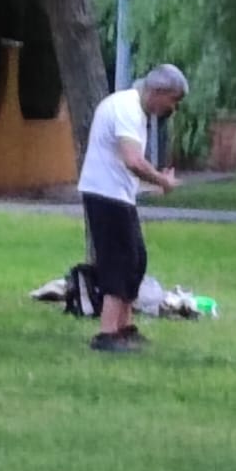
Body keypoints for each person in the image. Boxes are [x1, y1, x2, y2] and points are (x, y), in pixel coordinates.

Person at [78, 64, 189, 354]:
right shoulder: (126, 108)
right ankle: (107, 334)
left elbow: (128, 164)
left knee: (136, 260)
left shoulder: (134, 110)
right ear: (158, 91)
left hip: (118, 195)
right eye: (172, 101)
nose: (172, 109)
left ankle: (124, 329)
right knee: (118, 262)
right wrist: (162, 180)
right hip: (106, 195)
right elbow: (133, 161)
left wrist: (153, 184)